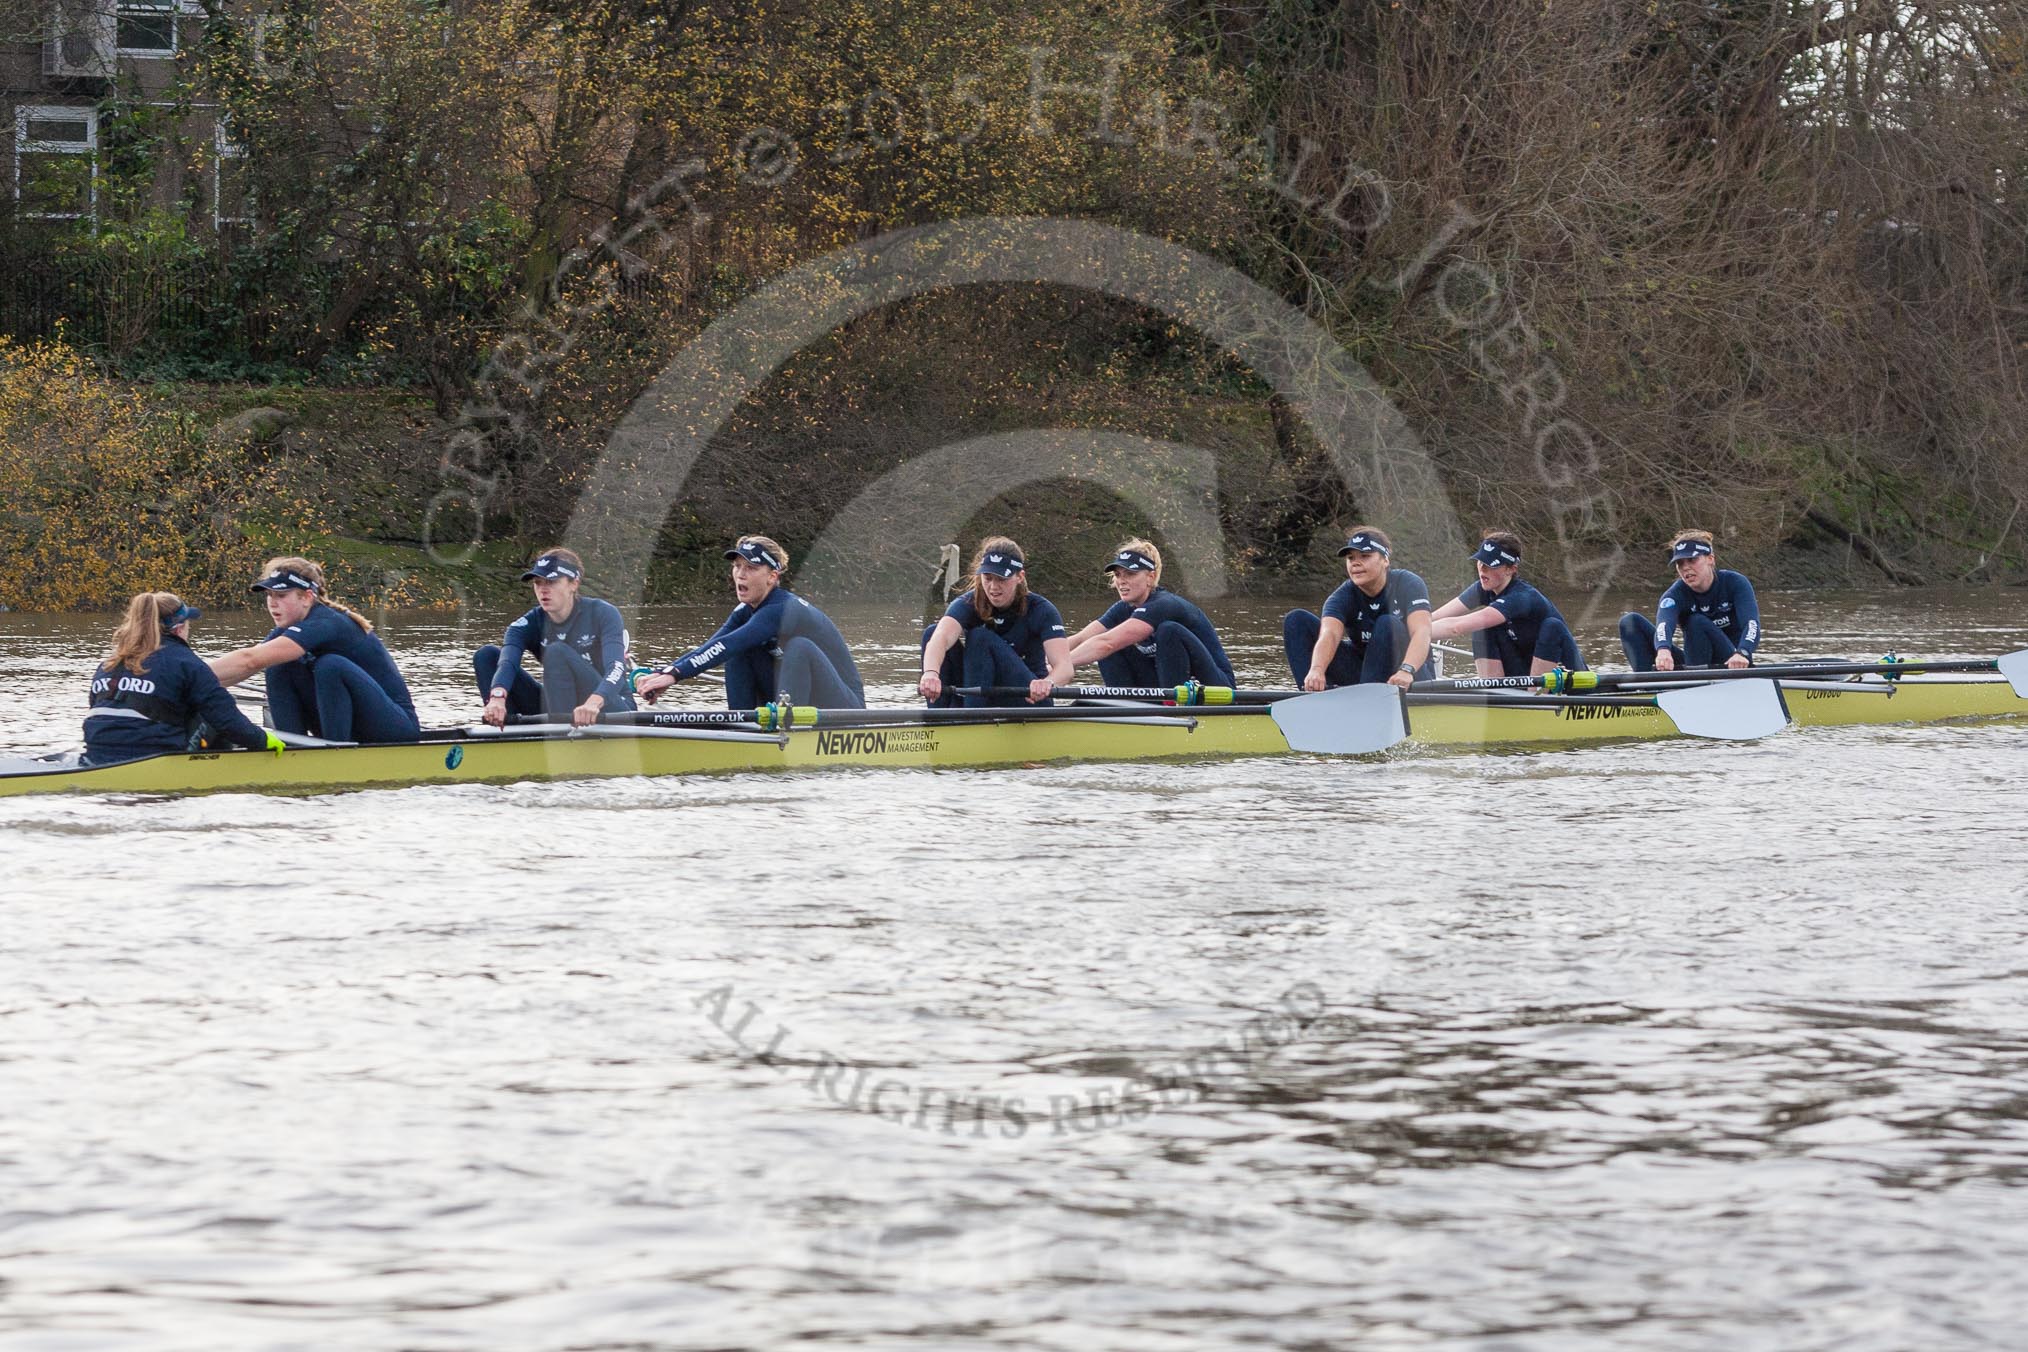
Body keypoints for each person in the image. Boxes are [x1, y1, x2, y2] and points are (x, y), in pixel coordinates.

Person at [635, 535, 866, 709]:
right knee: (737, 651)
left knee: (799, 647)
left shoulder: (783, 608)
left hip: (843, 707)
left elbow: (729, 644)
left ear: (772, 577)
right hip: (795, 697)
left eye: (751, 568)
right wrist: (663, 673)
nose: (740, 575)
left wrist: (674, 675)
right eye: (737, 566)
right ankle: (741, 726)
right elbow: (714, 646)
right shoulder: (744, 611)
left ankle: (788, 731)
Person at [207, 556, 421, 743]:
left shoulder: (327, 622)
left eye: (281, 596)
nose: (272, 603)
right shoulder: (291, 629)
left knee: (331, 666)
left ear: (307, 597)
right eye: (269, 595)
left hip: (396, 727)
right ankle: (292, 748)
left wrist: (189, 675)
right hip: (351, 721)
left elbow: (249, 660)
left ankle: (333, 754)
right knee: (276, 665)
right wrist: (195, 686)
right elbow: (246, 665)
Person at [83, 592, 284, 766]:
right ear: (179, 628)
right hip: (150, 756)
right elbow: (227, 719)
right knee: (209, 715)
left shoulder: (108, 664)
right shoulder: (187, 663)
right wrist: (263, 740)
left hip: (96, 752)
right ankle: (220, 768)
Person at [474, 548, 636, 728]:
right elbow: (507, 664)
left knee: (556, 651)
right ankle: (506, 733)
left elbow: (616, 668)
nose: (543, 590)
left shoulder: (603, 613)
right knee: (486, 655)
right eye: (537, 583)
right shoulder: (525, 625)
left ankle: (561, 740)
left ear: (573, 584)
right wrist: (497, 697)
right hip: (560, 707)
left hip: (610, 705)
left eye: (551, 582)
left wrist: (593, 702)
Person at [1062, 538, 1236, 689]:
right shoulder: (1123, 608)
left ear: (1150, 577)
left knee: (1168, 630)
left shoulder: (1165, 604)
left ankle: (1172, 709)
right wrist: (1041, 664)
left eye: (1130, 574)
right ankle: (1125, 709)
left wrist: (1061, 666)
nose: (1121, 581)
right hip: (1166, 684)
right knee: (1106, 641)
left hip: (1216, 688)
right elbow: (1081, 638)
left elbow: (1106, 643)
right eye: (1118, 575)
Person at [918, 538, 1072, 707]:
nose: (993, 587)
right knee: (931, 633)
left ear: (1020, 576)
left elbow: (1064, 668)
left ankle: (972, 719)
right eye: (988, 578)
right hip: (980, 692)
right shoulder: (968, 603)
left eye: (1001, 579)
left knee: (980, 637)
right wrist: (931, 674)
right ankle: (940, 721)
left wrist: (1047, 683)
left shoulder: (1041, 609)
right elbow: (941, 637)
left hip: (1027, 697)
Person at [1282, 526, 1434, 690]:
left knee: (1386, 622)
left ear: (1385, 560)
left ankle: (1365, 697)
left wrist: (1407, 669)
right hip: (1363, 673)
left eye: (1365, 556)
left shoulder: (1408, 583)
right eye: (1350, 558)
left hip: (1409, 673)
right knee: (1296, 619)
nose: (1355, 563)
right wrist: (1317, 670)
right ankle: (1310, 692)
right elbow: (1330, 634)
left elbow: (1422, 631)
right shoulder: (1342, 596)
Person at [1428, 531, 1586, 677]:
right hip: (1525, 668)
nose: (1482, 569)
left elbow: (1456, 627)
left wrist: (1410, 635)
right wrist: (1407, 625)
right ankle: (1495, 695)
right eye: (1480, 562)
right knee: (1482, 629)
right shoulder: (1484, 587)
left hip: (1569, 684)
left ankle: (1534, 700)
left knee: (1552, 626)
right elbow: (1433, 618)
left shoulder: (1521, 597)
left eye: (1491, 564)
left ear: (1511, 569)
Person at [1617, 529, 1762, 672]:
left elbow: (1752, 624)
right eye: (1680, 563)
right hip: (1695, 664)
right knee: (1629, 622)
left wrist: (1743, 652)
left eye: (1692, 560)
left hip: (1732, 662)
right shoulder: (1675, 595)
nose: (1686, 567)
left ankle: (1692, 683)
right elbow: (1663, 626)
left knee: (1696, 621)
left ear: (1710, 559)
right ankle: (1646, 686)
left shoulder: (1735, 583)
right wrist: (1663, 650)